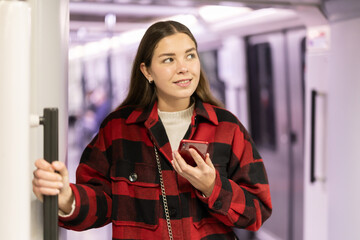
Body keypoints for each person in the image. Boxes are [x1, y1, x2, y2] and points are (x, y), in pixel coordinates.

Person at [32, 20, 272, 240]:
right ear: (147, 71)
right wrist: (67, 199)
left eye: (190, 56)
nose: (183, 68)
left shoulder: (226, 128)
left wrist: (212, 187)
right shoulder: (118, 129)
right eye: (169, 59)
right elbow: (101, 203)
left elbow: (257, 211)